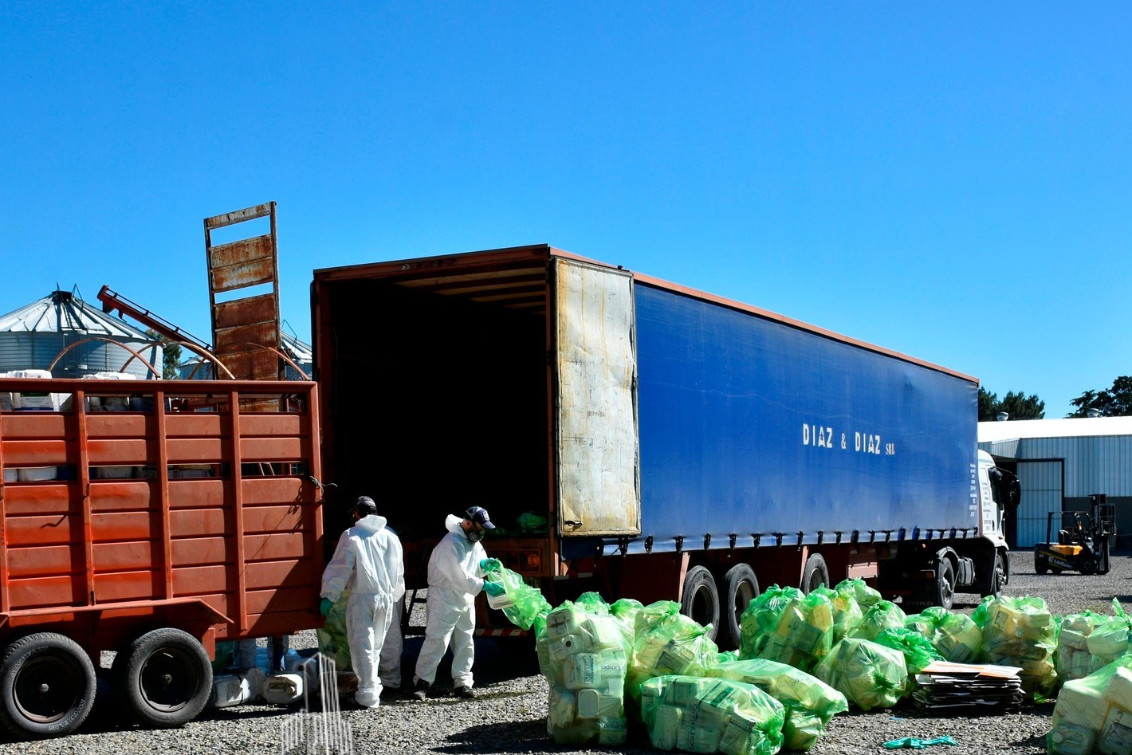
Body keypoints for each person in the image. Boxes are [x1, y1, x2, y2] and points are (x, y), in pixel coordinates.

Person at [320, 495, 405, 709]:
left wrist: (329, 596)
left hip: (363, 597)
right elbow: (399, 572)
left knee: (363, 645)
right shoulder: (390, 536)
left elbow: (340, 569)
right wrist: (394, 595)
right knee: (381, 643)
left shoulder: (352, 535)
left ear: (357, 512)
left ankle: (368, 695)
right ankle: (387, 680)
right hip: (387, 598)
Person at [412, 506, 504, 701]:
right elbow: (458, 575)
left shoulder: (474, 542)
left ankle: (463, 683)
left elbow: (476, 567)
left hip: (464, 597)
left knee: (465, 641)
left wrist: (485, 566)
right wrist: (484, 585)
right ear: (468, 523)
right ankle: (422, 682)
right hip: (444, 598)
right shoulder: (451, 543)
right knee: (437, 640)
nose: (482, 532)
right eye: (480, 527)